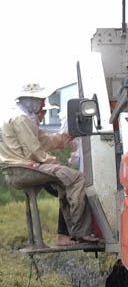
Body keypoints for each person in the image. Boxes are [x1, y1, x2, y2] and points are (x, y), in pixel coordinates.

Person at [0, 83, 100, 245]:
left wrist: (67, 135)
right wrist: (54, 161)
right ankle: (81, 231)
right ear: (32, 101)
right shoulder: (22, 119)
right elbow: (34, 151)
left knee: (66, 181)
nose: (42, 105)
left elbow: (44, 140)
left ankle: (65, 235)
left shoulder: (19, 116)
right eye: (40, 101)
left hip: (17, 168)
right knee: (77, 179)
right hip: (24, 168)